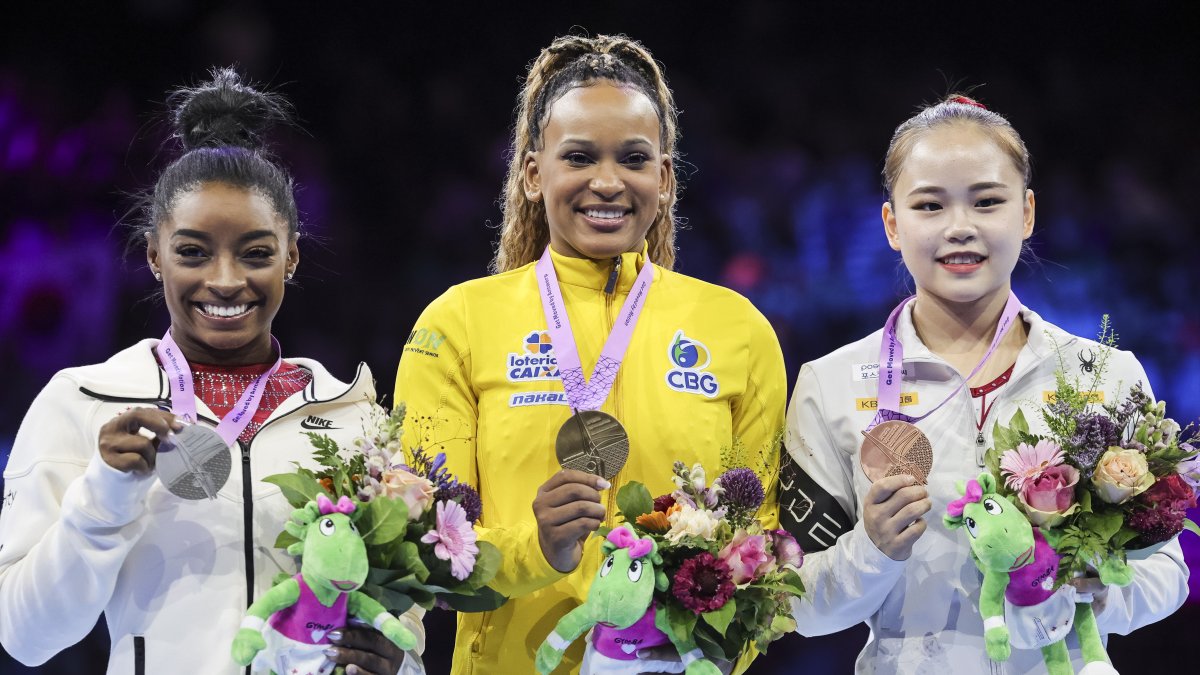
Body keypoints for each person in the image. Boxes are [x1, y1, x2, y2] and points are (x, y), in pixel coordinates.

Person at [0, 69, 424, 675]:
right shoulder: (84, 402)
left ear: (292, 256)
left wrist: (398, 667)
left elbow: (401, 629)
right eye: (193, 252)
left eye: (256, 253)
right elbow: (24, 635)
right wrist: (104, 496)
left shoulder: (354, 415)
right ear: (154, 255)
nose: (225, 280)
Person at [394, 34, 786, 675]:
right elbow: (425, 548)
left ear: (662, 177)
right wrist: (537, 548)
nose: (607, 182)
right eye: (578, 157)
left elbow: (760, 549)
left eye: (633, 159)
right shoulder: (457, 324)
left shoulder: (736, 329)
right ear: (532, 173)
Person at [780, 94, 1189, 673]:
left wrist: (1105, 595)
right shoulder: (831, 383)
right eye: (929, 206)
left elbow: (1167, 570)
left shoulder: (1106, 375)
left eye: (987, 201)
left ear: (1025, 214)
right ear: (892, 224)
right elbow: (800, 605)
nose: (960, 228)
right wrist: (871, 550)